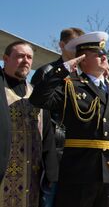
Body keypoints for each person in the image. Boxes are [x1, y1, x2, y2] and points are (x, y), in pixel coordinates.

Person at [29, 32, 109, 207]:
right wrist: (63, 69)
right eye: (98, 54)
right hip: (80, 169)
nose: (103, 56)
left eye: (104, 53)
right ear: (83, 60)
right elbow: (38, 98)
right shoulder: (71, 85)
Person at [30, 27, 84, 207]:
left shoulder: (83, 77)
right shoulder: (47, 71)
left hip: (78, 156)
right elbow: (36, 110)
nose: (79, 50)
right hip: (54, 153)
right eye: (74, 45)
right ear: (62, 45)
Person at [0, 41, 57, 207]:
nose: (26, 60)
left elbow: (47, 135)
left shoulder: (36, 93)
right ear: (5, 58)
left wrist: (52, 173)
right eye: (20, 56)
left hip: (31, 177)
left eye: (29, 57)